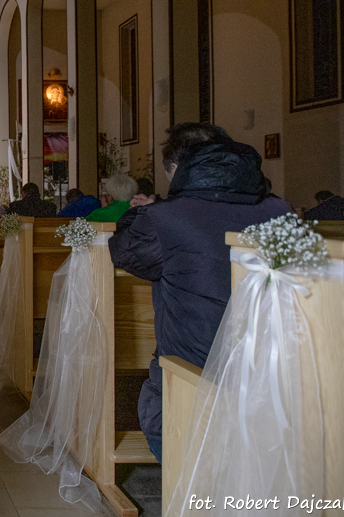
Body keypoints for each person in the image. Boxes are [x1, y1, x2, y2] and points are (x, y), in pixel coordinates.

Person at [108, 123, 291, 462]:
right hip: (276, 385)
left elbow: (124, 252)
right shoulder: (282, 211)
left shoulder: (165, 218)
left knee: (163, 404)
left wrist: (142, 213)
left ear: (178, 168)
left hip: (193, 384)